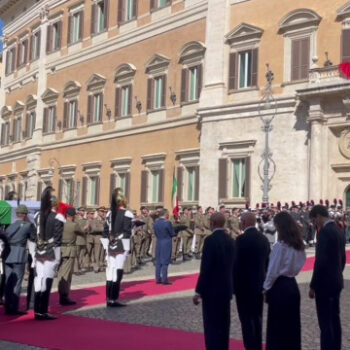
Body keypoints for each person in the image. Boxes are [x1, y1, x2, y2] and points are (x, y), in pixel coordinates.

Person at [263, 211, 306, 350]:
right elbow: (300, 264)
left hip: (279, 287)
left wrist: (266, 288)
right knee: (292, 325)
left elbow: (273, 271)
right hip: (292, 285)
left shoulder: (280, 246)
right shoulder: (298, 245)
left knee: (277, 326)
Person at [193, 212, 235, 350]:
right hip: (226, 288)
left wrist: (198, 290)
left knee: (211, 326)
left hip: (211, 291)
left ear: (212, 223)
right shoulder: (230, 240)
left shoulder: (210, 240)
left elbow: (206, 267)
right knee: (224, 325)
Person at [309, 205, 346, 350]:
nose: (314, 223)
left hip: (325, 284)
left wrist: (313, 285)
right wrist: (337, 272)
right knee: (335, 319)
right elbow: (342, 258)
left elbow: (320, 261)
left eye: (314, 220)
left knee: (325, 322)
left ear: (318, 216)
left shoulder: (324, 233)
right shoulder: (338, 230)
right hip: (336, 280)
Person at [234, 212, 270, 350]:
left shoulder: (241, 240)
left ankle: (250, 347)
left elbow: (236, 265)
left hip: (243, 287)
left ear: (243, 223)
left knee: (246, 320)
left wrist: (234, 286)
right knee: (257, 319)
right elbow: (268, 263)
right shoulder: (263, 239)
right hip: (259, 285)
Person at [30, 187, 64, 320]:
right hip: (50, 252)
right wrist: (57, 257)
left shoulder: (38, 215)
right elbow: (57, 239)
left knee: (39, 280)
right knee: (47, 280)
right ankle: (42, 311)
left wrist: (34, 252)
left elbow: (33, 235)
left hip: (39, 251)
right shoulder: (58, 217)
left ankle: (37, 310)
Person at [103, 188, 133, 307]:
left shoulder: (109, 213)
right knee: (118, 271)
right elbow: (127, 232)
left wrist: (107, 246)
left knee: (110, 271)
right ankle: (113, 299)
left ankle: (108, 298)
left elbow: (105, 231)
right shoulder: (127, 213)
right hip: (121, 244)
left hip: (110, 245)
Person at [3, 205, 36, 315]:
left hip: (7, 254)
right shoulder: (28, 225)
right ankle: (14, 307)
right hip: (19, 254)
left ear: (17, 214)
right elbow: (33, 238)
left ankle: (7, 306)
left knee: (8, 281)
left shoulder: (9, 226)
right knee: (16, 283)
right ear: (25, 215)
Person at [57, 208, 83, 306]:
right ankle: (64, 296)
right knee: (67, 275)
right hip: (69, 250)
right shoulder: (74, 225)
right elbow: (82, 232)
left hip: (60, 249)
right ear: (73, 216)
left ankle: (61, 293)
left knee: (61, 273)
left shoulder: (60, 224)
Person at [154, 208, 177, 284]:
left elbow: (155, 233)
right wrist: (174, 235)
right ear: (166, 215)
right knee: (165, 262)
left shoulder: (156, 222)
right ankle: (164, 280)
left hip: (159, 241)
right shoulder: (167, 223)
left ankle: (158, 279)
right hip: (166, 242)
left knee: (158, 262)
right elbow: (172, 233)